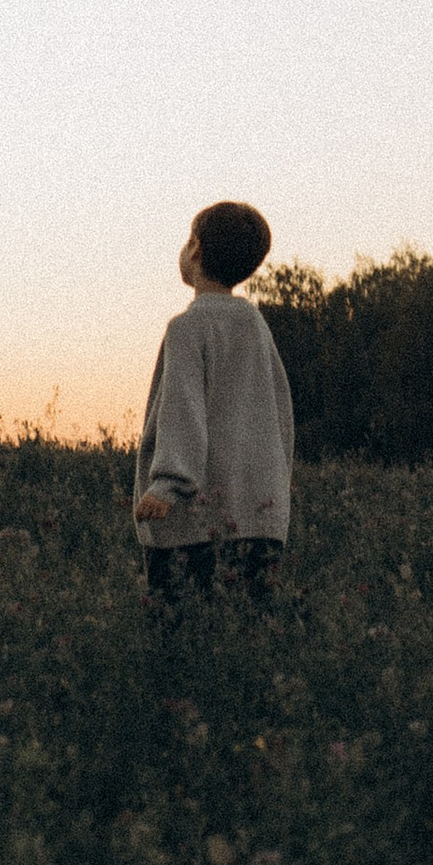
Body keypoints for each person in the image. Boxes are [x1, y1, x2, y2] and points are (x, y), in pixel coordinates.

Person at [133, 201, 295, 604]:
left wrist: (168, 483)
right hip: (259, 518)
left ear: (195, 251)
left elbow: (182, 411)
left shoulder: (188, 327)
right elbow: (280, 413)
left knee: (184, 639)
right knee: (245, 638)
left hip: (194, 525)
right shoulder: (256, 326)